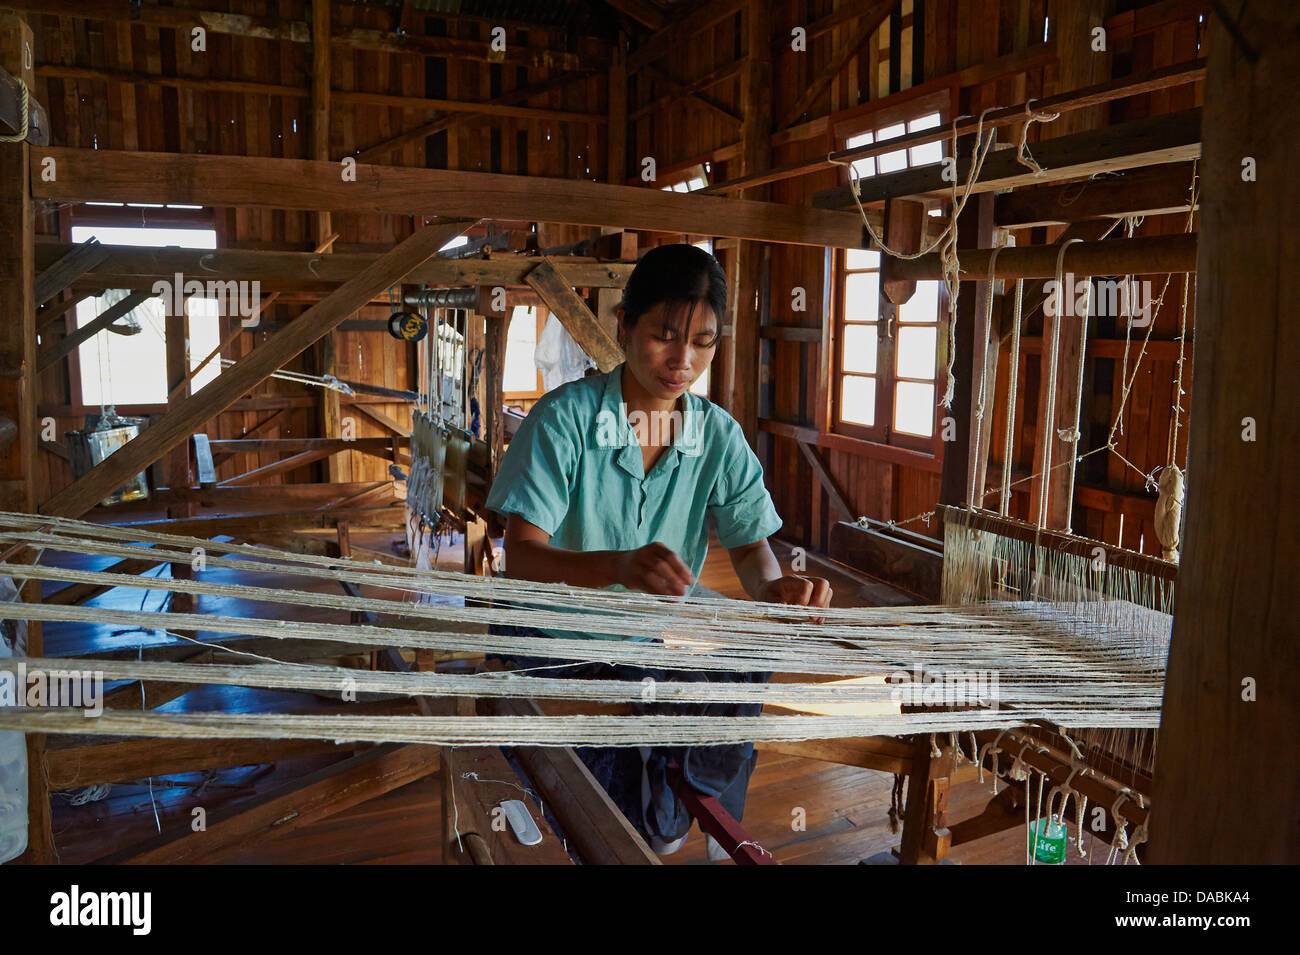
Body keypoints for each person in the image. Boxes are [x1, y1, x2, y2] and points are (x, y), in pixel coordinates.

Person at [484, 242, 832, 856]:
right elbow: (523, 559)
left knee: (734, 671)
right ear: (624, 323)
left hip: (636, 641)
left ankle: (668, 809)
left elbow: (753, 551)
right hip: (547, 640)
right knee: (586, 814)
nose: (683, 360)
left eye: (703, 342)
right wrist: (617, 566)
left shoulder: (716, 436)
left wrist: (773, 588)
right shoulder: (564, 421)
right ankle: (639, 815)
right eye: (664, 336)